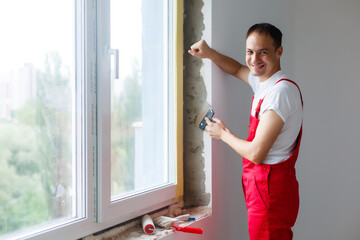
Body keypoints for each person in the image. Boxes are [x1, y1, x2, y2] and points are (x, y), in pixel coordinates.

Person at [188, 23, 303, 240]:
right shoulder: (265, 84)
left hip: (270, 190)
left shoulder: (280, 93)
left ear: (279, 52)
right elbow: (237, 68)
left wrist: (223, 134)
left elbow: (256, 153)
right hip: (265, 187)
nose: (254, 59)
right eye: (250, 52)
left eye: (263, 52)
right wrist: (210, 53)